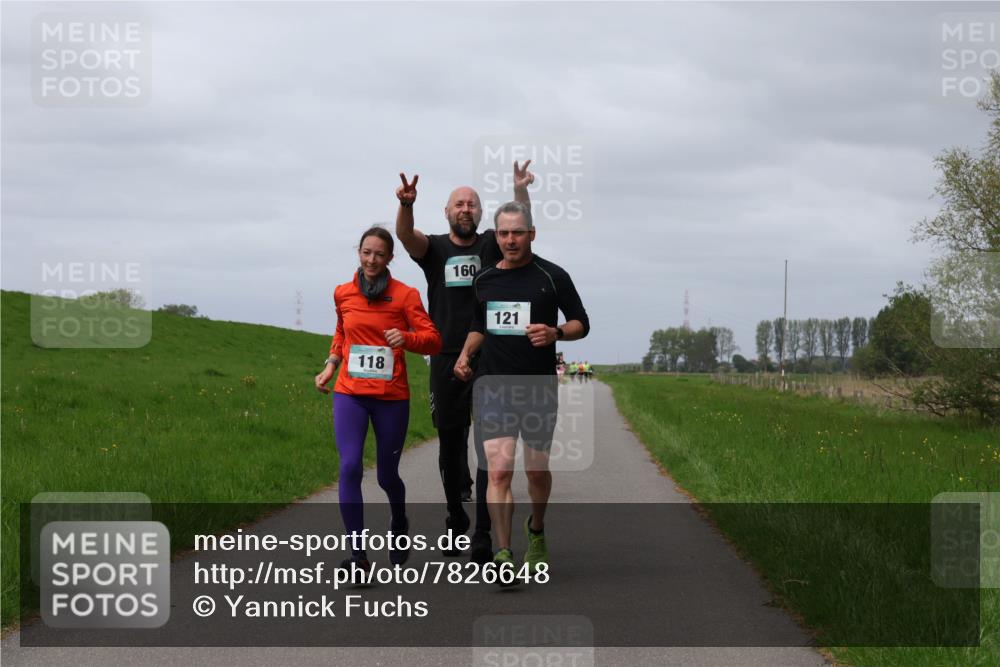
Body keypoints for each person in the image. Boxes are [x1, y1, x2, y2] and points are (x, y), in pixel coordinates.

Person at [395, 163, 534, 564]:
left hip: (489, 356)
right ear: (447, 212)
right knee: (451, 443)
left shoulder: (491, 244)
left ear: (479, 212)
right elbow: (406, 236)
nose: (466, 208)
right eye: (459, 203)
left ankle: (484, 533)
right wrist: (406, 206)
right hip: (443, 356)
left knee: (489, 446)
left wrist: (520, 190)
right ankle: (455, 519)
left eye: (472, 204)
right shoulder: (435, 249)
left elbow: (519, 224)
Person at [454, 200, 589, 582]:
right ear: (495, 236)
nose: (510, 240)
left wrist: (556, 332)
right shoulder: (484, 281)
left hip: (537, 387)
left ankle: (536, 529)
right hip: (493, 386)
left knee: (535, 471)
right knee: (498, 471)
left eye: (517, 233)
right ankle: (502, 552)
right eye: (503, 233)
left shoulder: (552, 276)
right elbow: (480, 326)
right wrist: (465, 354)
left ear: (531, 234)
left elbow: (582, 322)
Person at [315, 226, 442, 570]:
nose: (372, 260)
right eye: (366, 252)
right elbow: (342, 331)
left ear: (390, 258)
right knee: (350, 467)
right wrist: (331, 365)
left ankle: (399, 523)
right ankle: (358, 556)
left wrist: (405, 338)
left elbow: (432, 340)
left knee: (387, 476)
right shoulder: (343, 293)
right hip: (350, 394)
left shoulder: (405, 295)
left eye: (379, 254)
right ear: (359, 252)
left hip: (391, 397)